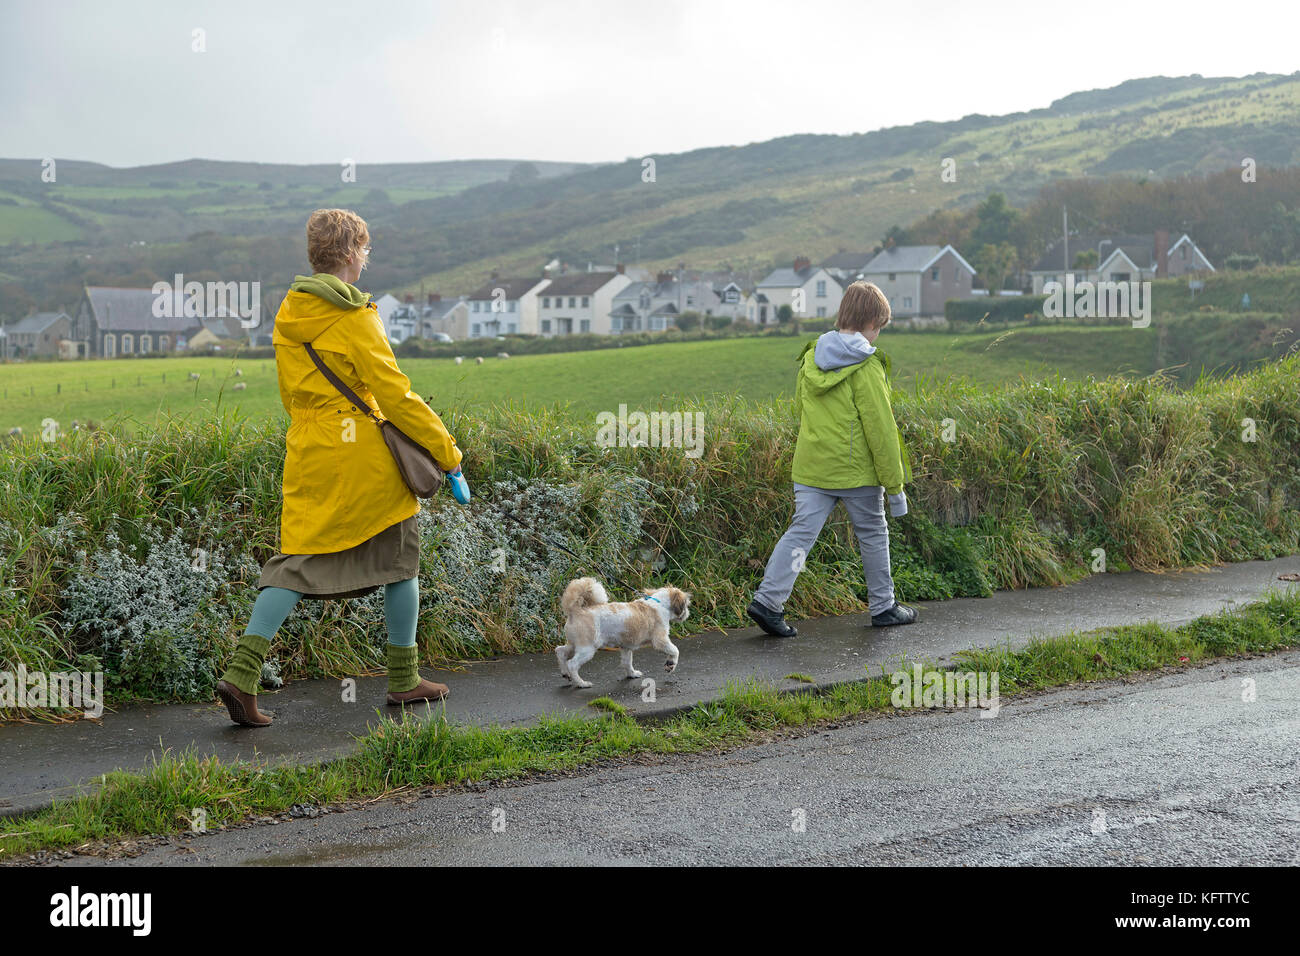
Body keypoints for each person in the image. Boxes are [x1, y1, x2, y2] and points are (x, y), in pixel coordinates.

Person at [214, 209, 463, 727]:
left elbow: (290, 394)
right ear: (352, 253)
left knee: (296, 561)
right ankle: (403, 680)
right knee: (401, 558)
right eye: (364, 249)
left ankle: (241, 674)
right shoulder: (354, 315)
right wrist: (448, 454)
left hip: (308, 448)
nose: (364, 258)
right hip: (362, 456)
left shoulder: (290, 311)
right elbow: (396, 395)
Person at [746, 280, 916, 638]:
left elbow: (802, 412)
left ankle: (767, 602)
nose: (878, 336)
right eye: (879, 327)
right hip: (856, 472)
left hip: (811, 467)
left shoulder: (811, 359)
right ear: (870, 322)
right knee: (872, 532)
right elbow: (881, 431)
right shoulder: (867, 367)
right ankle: (884, 606)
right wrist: (895, 485)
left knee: (799, 535)